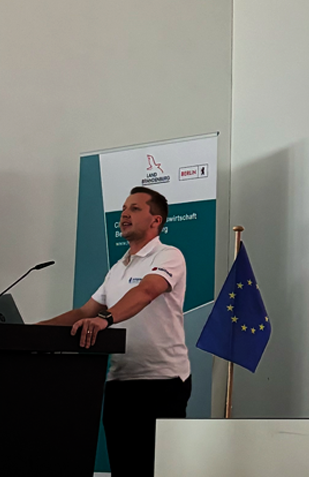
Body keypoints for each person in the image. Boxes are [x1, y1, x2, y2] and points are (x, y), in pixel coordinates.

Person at [40, 186, 191, 476]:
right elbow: (84, 312)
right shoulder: (118, 268)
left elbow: (147, 291)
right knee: (123, 469)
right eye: (123, 208)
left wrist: (106, 319)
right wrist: (30, 331)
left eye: (135, 208)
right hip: (120, 381)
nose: (124, 214)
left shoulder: (168, 255)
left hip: (162, 382)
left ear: (156, 220)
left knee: (153, 470)